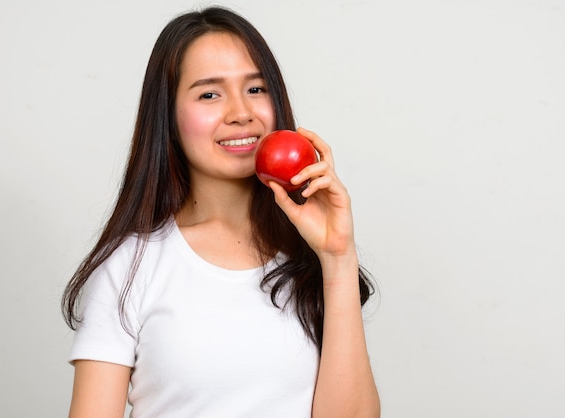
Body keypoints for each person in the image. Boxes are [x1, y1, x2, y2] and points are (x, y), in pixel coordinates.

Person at [62, 6, 380, 418]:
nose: (241, 113)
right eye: (209, 94)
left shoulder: (312, 256)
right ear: (169, 116)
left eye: (256, 89)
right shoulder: (130, 266)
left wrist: (338, 258)